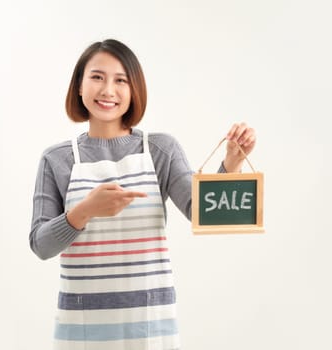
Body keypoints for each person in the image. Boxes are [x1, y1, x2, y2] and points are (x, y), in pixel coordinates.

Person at [29, 39, 256, 350]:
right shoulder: (57, 159)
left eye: (120, 80)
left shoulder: (160, 149)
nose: (108, 90)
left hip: (150, 329)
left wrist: (232, 161)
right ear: (79, 87)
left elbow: (201, 212)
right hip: (81, 331)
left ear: (134, 90)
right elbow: (40, 245)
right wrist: (85, 211)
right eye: (97, 77)